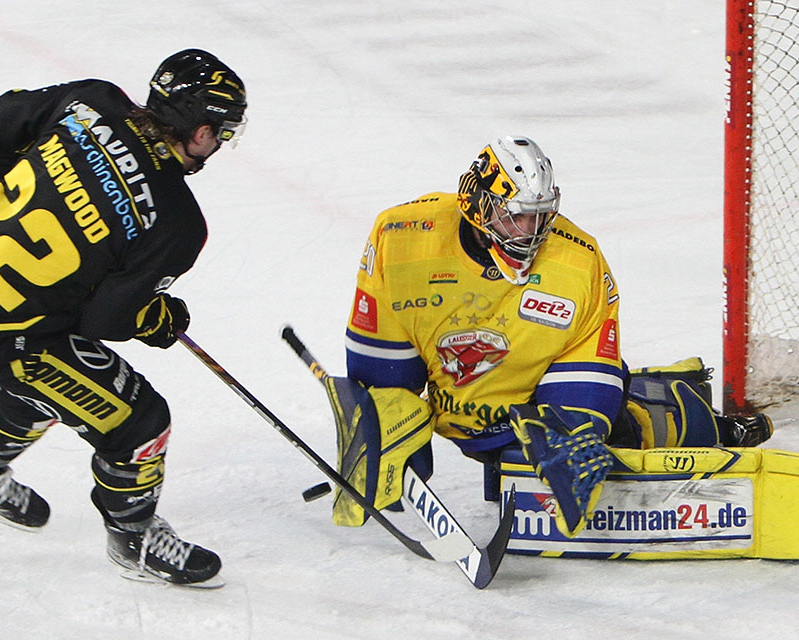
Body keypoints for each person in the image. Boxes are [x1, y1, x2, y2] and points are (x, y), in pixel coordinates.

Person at [328, 135, 772, 538]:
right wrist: (374, 417)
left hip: (532, 410)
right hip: (463, 403)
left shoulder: (578, 261)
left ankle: (695, 413)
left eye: (540, 218)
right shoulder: (402, 238)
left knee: (617, 435)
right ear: (477, 206)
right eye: (515, 218)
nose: (530, 232)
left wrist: (576, 427)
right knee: (384, 409)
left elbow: (587, 365)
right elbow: (380, 354)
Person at [0, 49, 246, 587]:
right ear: (199, 130)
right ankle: (135, 540)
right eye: (223, 135)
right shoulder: (177, 223)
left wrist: (31, 182)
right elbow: (108, 319)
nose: (220, 147)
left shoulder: (91, 101)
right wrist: (157, 319)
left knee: (61, 374)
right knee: (139, 420)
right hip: (3, 332)